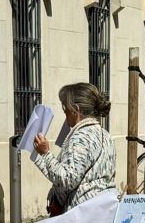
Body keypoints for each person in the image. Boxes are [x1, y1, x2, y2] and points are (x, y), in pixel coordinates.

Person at [31, 82, 119, 214]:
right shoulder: (105, 135)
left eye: (65, 108)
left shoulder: (81, 136)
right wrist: (39, 157)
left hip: (84, 214)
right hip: (103, 208)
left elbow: (67, 180)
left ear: (75, 110)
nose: (65, 112)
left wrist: (46, 153)